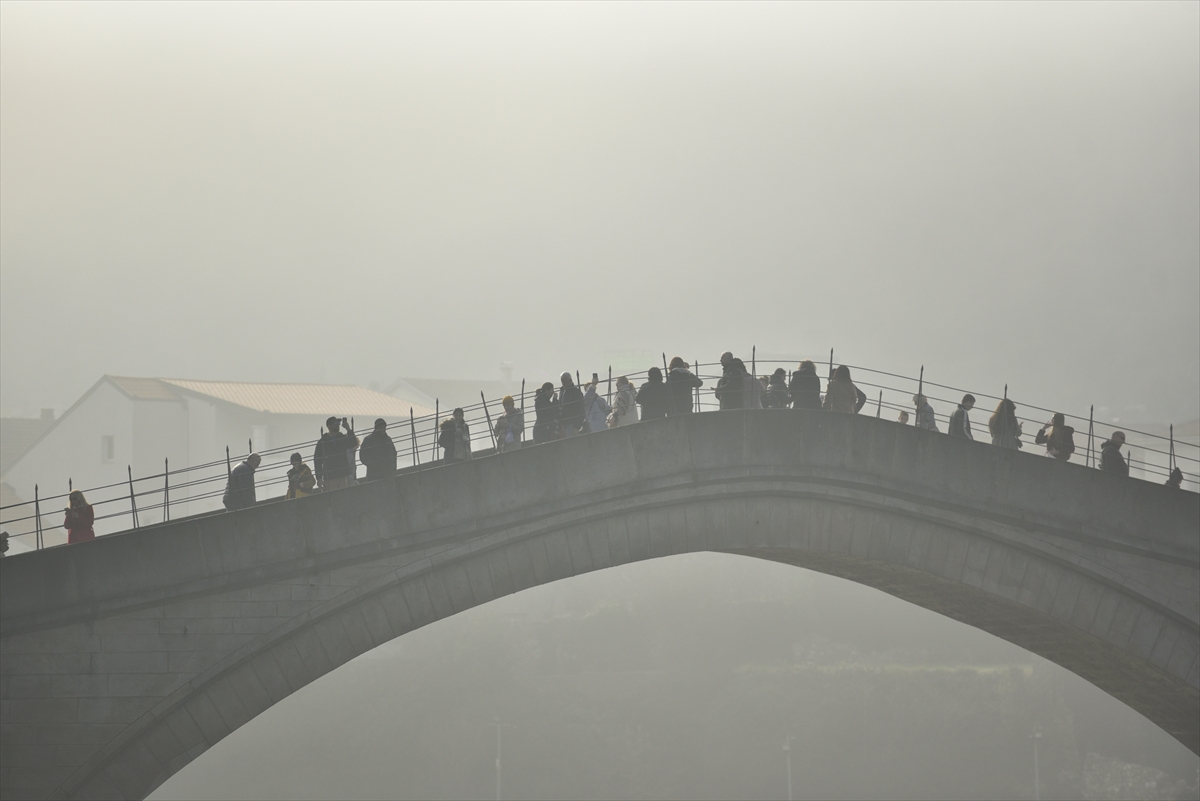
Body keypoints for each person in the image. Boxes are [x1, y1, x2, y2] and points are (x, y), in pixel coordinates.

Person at [314, 417, 359, 490]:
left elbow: (353, 444)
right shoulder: (323, 441)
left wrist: (348, 429)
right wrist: (319, 477)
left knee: (343, 497)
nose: (338, 425)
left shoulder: (342, 438)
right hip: (330, 476)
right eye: (335, 423)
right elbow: (318, 460)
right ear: (329, 426)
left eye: (338, 423)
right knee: (332, 499)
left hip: (343, 474)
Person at [558, 372, 585, 437]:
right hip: (564, 423)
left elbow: (580, 409)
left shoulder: (576, 392)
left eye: (565, 381)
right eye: (562, 381)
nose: (563, 383)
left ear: (570, 380)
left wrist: (577, 426)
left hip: (572, 423)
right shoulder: (562, 391)